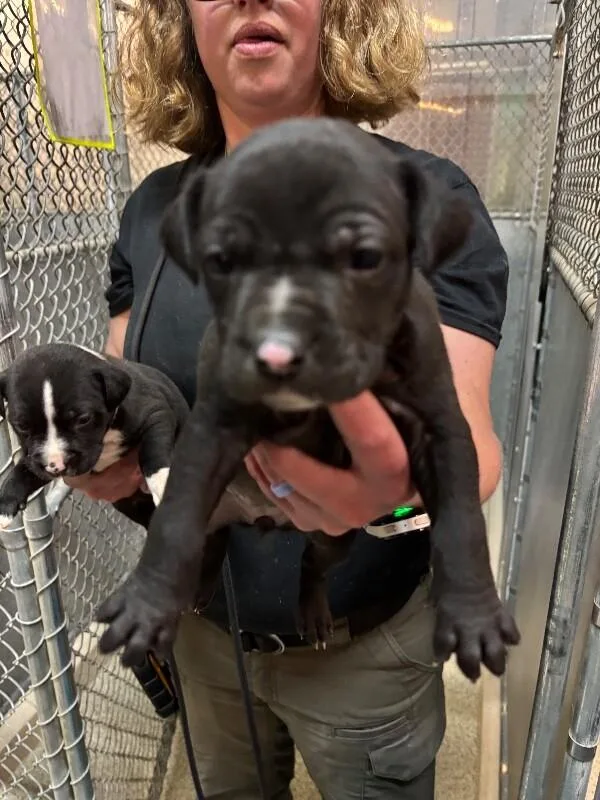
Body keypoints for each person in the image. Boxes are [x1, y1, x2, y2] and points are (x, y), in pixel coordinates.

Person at [67, 0, 509, 797]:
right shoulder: (153, 211)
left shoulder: (423, 194)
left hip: (363, 649)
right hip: (205, 634)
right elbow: (128, 390)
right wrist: (93, 443)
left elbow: (464, 442)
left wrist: (391, 490)